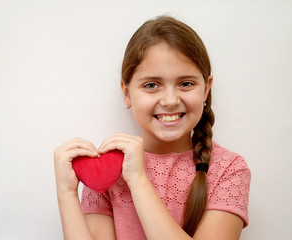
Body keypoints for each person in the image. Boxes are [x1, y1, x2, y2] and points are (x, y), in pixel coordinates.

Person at [54, 15, 251, 240]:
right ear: (127, 93)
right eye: (151, 85)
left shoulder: (229, 169)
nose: (169, 100)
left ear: (206, 89)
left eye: (186, 83)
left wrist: (138, 180)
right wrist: (66, 193)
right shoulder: (107, 170)